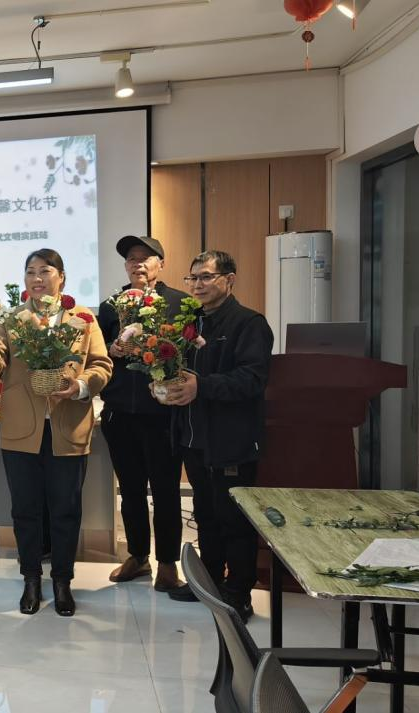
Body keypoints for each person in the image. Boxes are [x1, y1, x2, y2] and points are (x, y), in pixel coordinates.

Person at [0, 249, 112, 617]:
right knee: (25, 510)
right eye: (30, 271)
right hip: (21, 430)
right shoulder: (13, 318)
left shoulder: (83, 319)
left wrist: (80, 386)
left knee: (66, 510)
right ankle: (31, 578)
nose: (36, 278)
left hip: (68, 426)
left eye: (44, 271)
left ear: (61, 277)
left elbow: (101, 365)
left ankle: (62, 581)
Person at [163, 250, 273, 624]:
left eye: (206, 277)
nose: (197, 285)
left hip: (231, 440)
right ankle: (209, 584)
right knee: (206, 515)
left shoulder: (249, 323)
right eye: (192, 278)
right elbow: (178, 370)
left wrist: (202, 386)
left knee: (234, 520)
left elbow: (252, 379)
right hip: (194, 437)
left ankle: (239, 593)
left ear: (229, 279)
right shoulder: (190, 322)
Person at [97, 236, 191, 593]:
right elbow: (99, 354)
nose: (137, 263)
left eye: (145, 258)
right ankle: (137, 556)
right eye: (131, 258)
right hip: (120, 411)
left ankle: (167, 562)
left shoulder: (179, 303)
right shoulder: (111, 305)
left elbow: (189, 352)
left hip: (162, 413)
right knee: (130, 489)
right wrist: (114, 348)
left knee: (165, 489)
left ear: (160, 264)